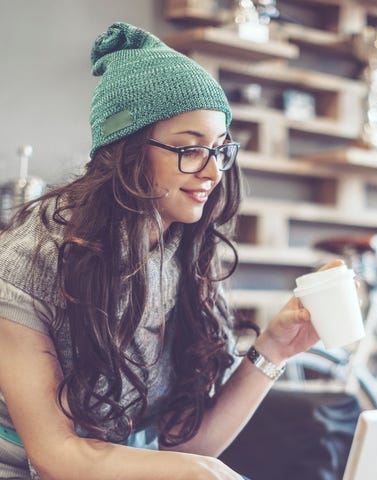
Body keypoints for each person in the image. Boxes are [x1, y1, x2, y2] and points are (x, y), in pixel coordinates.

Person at [0, 22, 338, 480]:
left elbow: (184, 444)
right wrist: (194, 473)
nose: (212, 172)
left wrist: (273, 350)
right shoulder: (30, 260)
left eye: (219, 150)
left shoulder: (183, 250)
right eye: (189, 148)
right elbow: (54, 455)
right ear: (127, 150)